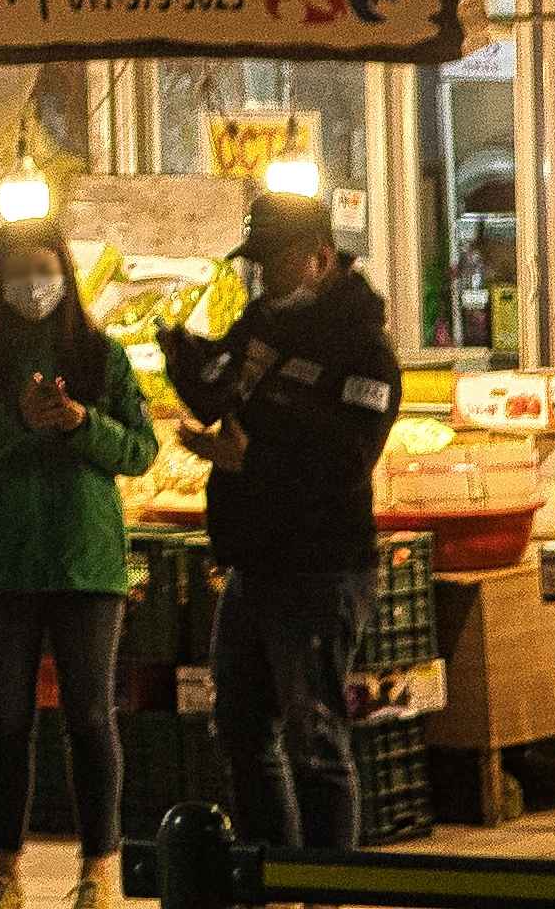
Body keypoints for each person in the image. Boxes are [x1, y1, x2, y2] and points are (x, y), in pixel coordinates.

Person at [0, 214, 155, 909]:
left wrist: (82, 424)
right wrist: (15, 420)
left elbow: (141, 451)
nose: (32, 285)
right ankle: (6, 871)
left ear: (65, 275)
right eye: (18, 272)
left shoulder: (100, 355)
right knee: (7, 721)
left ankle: (99, 870)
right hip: (2, 560)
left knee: (91, 718)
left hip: (87, 562)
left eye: (43, 270)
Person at [157, 186, 403, 855]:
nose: (262, 278)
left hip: (322, 567)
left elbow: (348, 459)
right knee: (241, 727)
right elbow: (220, 391)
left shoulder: (364, 350)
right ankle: (270, 872)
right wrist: (181, 358)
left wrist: (250, 459)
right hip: (252, 560)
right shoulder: (262, 325)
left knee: (314, 738)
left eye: (274, 263)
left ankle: (324, 884)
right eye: (257, 264)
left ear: (318, 260)